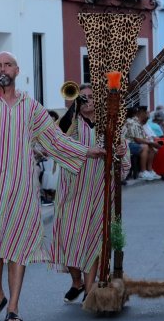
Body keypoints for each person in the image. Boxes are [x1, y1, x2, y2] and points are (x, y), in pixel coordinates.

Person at [0, 52, 104, 321]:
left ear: (17, 70)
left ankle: (13, 305)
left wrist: (87, 151)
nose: (3, 69)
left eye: (8, 65)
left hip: (23, 184)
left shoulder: (31, 106)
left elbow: (55, 139)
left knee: (20, 243)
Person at [52, 83, 130, 302]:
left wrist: (121, 152)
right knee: (68, 239)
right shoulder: (69, 123)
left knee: (94, 241)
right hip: (72, 191)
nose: (87, 100)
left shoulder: (110, 125)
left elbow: (122, 161)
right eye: (82, 97)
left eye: (91, 96)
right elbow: (56, 148)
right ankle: (77, 282)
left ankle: (89, 291)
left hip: (100, 191)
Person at [124, 106, 160, 181]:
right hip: (128, 144)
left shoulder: (139, 123)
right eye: (146, 113)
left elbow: (144, 137)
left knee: (152, 147)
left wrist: (152, 143)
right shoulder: (132, 122)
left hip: (137, 142)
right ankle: (143, 172)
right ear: (141, 113)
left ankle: (149, 170)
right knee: (146, 147)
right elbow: (137, 139)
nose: (148, 115)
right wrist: (152, 142)